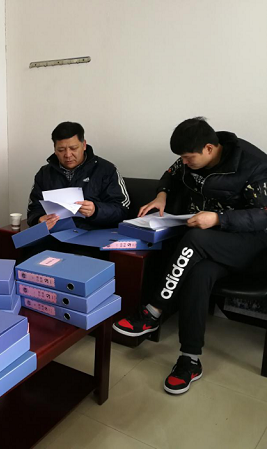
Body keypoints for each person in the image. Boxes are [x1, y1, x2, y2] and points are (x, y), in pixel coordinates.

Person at [113, 117, 267, 395]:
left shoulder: (254, 164)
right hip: (213, 245)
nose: (184, 162)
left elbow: (263, 215)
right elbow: (171, 173)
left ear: (209, 148)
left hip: (251, 247)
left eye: (188, 158)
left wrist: (218, 219)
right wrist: (162, 194)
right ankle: (190, 360)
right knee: (199, 273)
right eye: (182, 157)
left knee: (195, 239)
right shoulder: (191, 157)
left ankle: (153, 311)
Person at [24, 121, 130, 259]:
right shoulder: (44, 173)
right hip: (54, 236)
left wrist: (95, 210)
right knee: (28, 259)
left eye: (73, 148)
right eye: (61, 150)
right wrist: (39, 219)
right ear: (55, 149)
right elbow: (33, 208)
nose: (68, 155)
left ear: (84, 145)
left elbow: (122, 209)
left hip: (91, 238)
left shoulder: (106, 170)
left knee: (75, 262)